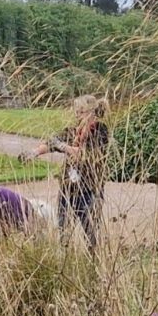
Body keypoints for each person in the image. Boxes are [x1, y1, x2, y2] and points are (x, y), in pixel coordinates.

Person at [39, 95, 111, 250]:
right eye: (76, 112)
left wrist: (63, 146)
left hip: (89, 188)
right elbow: (52, 142)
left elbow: (84, 154)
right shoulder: (73, 131)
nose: (77, 115)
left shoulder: (101, 131)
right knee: (63, 230)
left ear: (92, 112)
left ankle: (93, 261)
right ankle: (64, 258)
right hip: (68, 189)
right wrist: (34, 152)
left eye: (81, 112)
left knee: (90, 231)